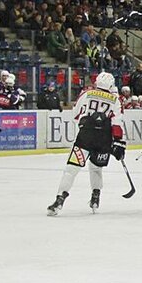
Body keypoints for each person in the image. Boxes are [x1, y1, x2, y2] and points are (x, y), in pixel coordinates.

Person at [46, 72, 126, 216]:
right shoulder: (115, 99)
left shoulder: (86, 93)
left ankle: (59, 200)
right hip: (103, 140)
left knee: (71, 170)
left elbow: (76, 114)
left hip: (85, 137)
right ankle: (95, 197)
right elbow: (117, 124)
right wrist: (119, 143)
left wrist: (84, 126)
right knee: (96, 169)